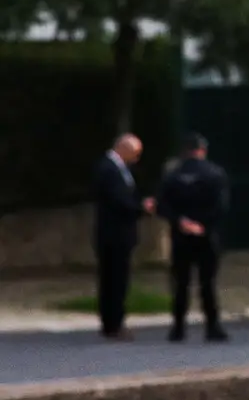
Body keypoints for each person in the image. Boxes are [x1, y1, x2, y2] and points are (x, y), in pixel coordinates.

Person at [155, 132, 231, 342]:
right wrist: (202, 224)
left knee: (181, 283)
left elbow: (161, 205)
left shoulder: (173, 176)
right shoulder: (215, 174)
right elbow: (221, 207)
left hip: (180, 236)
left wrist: (181, 221)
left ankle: (178, 327)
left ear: (184, 151)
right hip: (207, 236)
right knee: (208, 282)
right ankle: (212, 326)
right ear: (203, 151)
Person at [91, 133, 153, 341]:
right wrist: (141, 208)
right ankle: (113, 323)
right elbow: (118, 201)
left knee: (113, 279)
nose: (136, 159)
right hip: (114, 234)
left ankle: (111, 322)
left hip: (117, 234)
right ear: (123, 149)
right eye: (135, 154)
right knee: (115, 279)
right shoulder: (109, 169)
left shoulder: (116, 168)